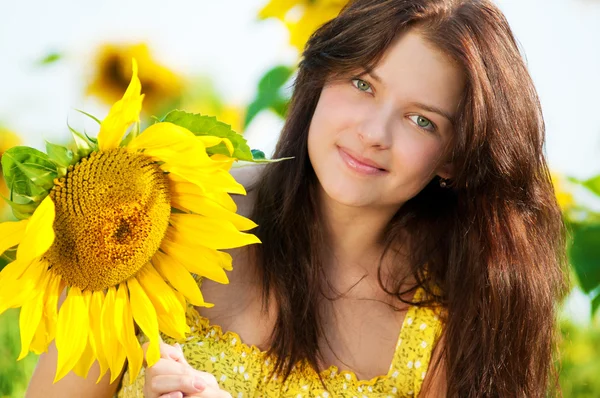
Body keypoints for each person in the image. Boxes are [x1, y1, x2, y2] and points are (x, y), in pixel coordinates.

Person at [25, 0, 567, 396]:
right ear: (320, 78)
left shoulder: (458, 307)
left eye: (422, 120)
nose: (374, 131)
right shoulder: (164, 212)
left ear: (454, 157)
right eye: (362, 84)